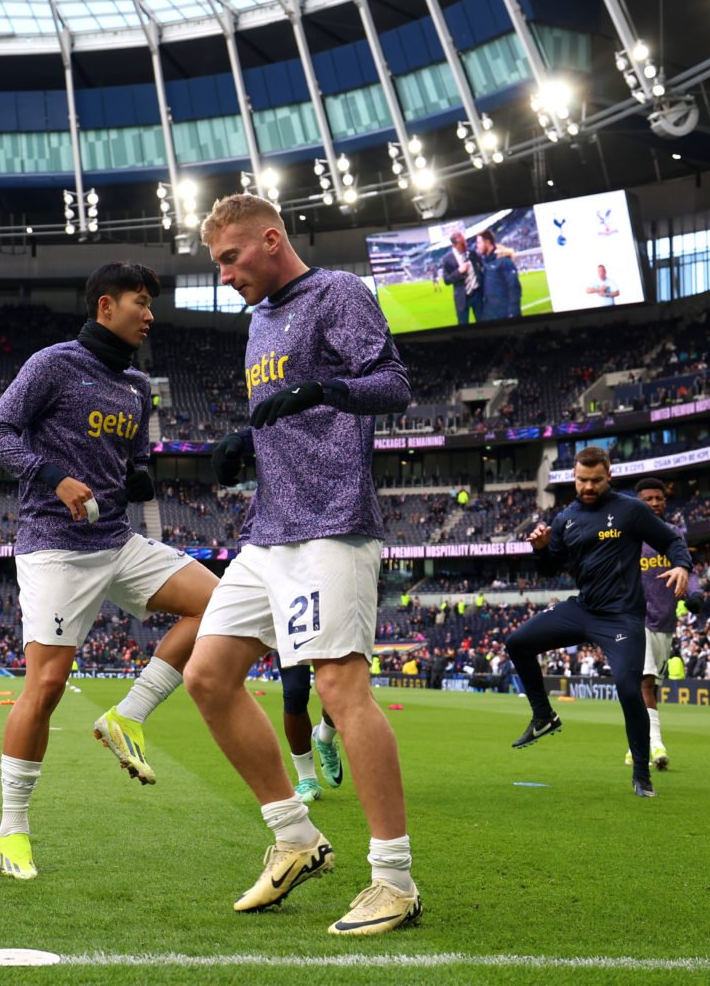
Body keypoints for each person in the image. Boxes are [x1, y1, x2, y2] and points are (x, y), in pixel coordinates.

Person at [187, 193, 420, 936]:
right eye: (217, 263)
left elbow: (394, 384)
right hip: (269, 530)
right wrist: (243, 441)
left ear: (270, 238)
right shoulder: (257, 324)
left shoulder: (340, 293)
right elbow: (281, 413)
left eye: (229, 258)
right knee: (208, 675)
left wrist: (323, 387)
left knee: (341, 688)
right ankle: (294, 836)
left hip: (332, 523)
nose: (225, 276)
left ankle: (394, 881)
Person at [0, 260, 220, 881]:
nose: (150, 314)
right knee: (48, 686)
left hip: (117, 540)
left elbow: (137, 460)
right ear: (105, 306)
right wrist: (55, 478)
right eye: (141, 302)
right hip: (55, 544)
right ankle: (13, 831)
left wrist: (144, 473)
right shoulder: (53, 364)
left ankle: (127, 715)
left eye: (152, 303)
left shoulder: (139, 386)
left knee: (219, 604)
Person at [506, 447, 693, 797]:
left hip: (622, 616)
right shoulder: (566, 519)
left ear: (609, 476)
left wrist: (682, 565)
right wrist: (542, 548)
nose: (588, 486)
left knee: (628, 688)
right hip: (583, 609)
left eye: (595, 480)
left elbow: (670, 539)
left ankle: (641, 774)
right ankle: (543, 715)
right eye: (582, 480)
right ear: (573, 477)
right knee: (517, 643)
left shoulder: (631, 510)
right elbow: (549, 569)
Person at [633, 477, 707, 771]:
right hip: (635, 618)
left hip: (665, 621)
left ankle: (636, 741)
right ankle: (656, 745)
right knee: (646, 682)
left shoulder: (673, 534)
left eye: (659, 498)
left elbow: (687, 567)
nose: (654, 503)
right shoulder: (628, 535)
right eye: (648, 499)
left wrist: (695, 594)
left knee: (652, 687)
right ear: (637, 502)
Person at [277, 660, 343, 803]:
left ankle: (324, 737)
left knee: (337, 688)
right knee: (294, 692)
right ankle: (307, 779)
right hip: (291, 637)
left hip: (330, 637)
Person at [476, 229, 522, 321]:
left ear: (487, 242)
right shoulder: (485, 263)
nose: (477, 246)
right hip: (490, 314)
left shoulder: (504, 261)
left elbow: (514, 288)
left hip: (505, 313)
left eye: (479, 243)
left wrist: (513, 313)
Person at [438, 231, 481, 326]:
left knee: (482, 322)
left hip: (477, 294)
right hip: (462, 298)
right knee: (463, 325)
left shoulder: (471, 252)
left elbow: (481, 267)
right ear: (454, 245)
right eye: (462, 245)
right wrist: (459, 272)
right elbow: (446, 280)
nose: (465, 246)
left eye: (465, 242)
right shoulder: (447, 259)